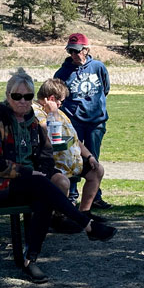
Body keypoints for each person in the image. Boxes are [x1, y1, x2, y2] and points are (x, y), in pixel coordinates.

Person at [0, 68, 115, 284]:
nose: (22, 101)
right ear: (8, 95)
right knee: (40, 185)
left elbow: (47, 156)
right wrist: (28, 173)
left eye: (27, 97)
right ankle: (88, 225)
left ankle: (31, 260)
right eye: (17, 96)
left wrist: (42, 173)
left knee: (43, 194)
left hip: (30, 185)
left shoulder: (34, 124)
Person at [54, 32, 111, 209]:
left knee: (93, 158)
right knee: (72, 158)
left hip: (95, 122)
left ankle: (95, 196)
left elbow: (105, 88)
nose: (74, 55)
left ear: (86, 49)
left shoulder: (98, 67)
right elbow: (57, 95)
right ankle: (72, 195)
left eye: (77, 51)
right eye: (71, 51)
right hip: (73, 122)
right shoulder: (63, 72)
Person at [34, 77, 107, 214]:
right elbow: (49, 135)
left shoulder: (60, 113)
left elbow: (75, 139)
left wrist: (89, 156)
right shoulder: (35, 113)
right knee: (62, 183)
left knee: (97, 170)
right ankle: (59, 217)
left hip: (72, 162)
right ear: (51, 98)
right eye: (61, 101)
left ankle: (84, 213)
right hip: (54, 164)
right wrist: (53, 112)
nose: (62, 104)